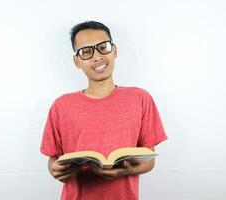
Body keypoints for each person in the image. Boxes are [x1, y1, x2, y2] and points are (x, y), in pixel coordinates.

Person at [40, 21, 168, 200]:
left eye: (103, 47)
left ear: (114, 50)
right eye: (86, 52)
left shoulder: (140, 98)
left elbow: (149, 160)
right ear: (77, 61)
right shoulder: (61, 105)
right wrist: (55, 170)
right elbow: (53, 160)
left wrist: (124, 171)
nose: (97, 57)